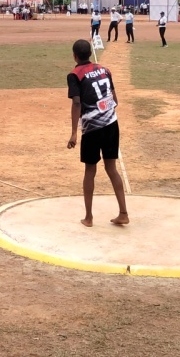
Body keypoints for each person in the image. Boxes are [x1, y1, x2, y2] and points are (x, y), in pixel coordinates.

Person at [65, 39, 128, 228]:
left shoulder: (74, 75)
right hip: (111, 124)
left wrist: (74, 132)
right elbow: (114, 100)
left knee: (90, 171)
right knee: (112, 168)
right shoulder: (105, 70)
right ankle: (123, 213)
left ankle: (89, 217)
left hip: (92, 128)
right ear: (90, 53)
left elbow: (76, 103)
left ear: (75, 55)